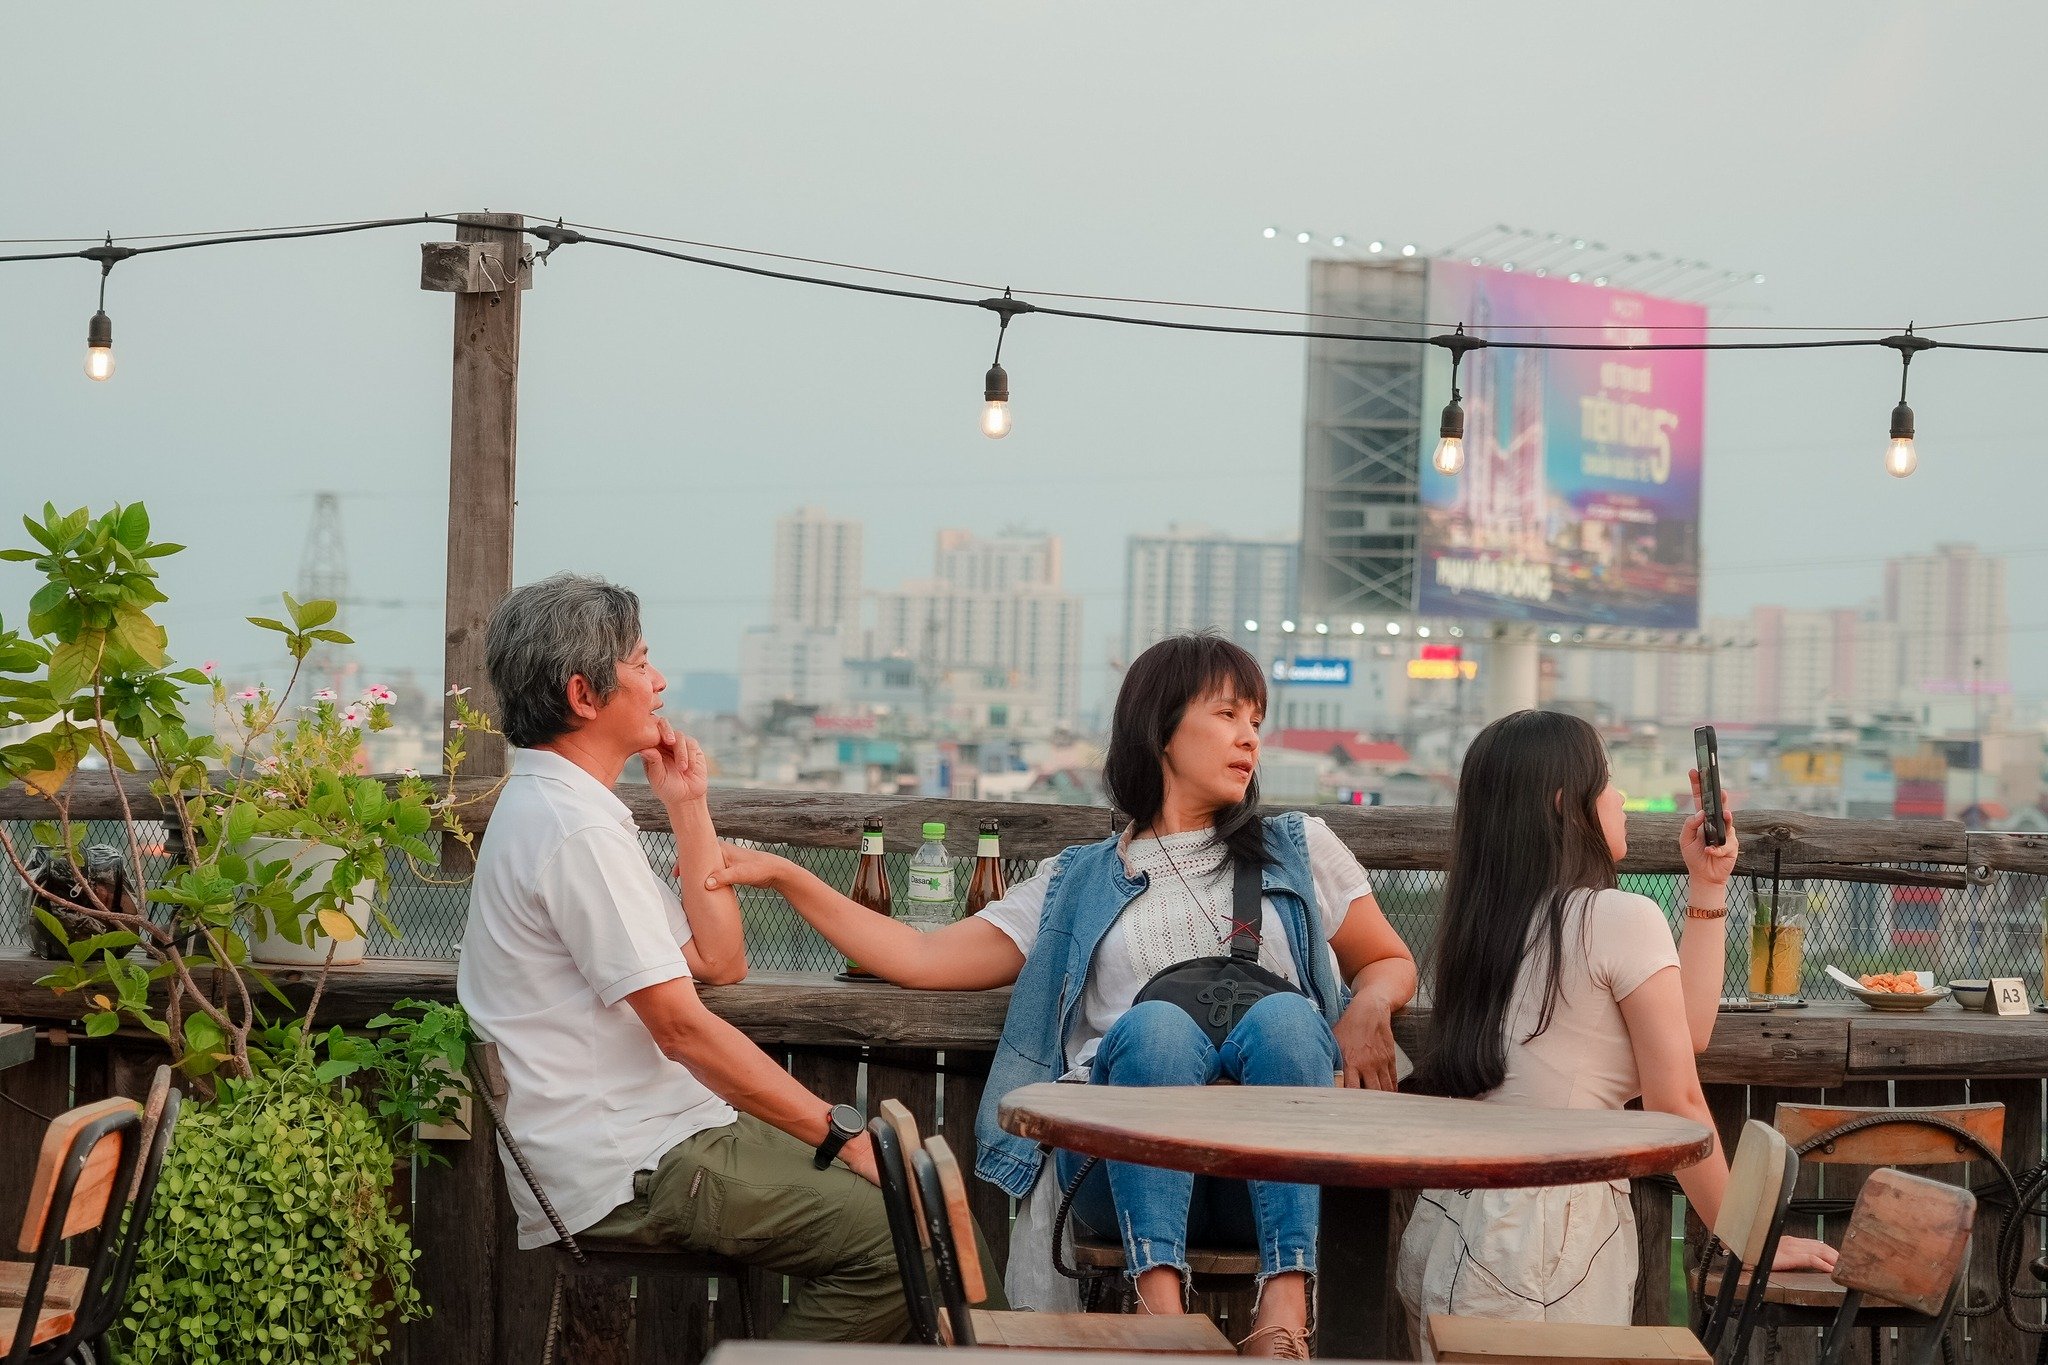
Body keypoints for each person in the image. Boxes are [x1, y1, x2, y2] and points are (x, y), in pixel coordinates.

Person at [707, 634, 1418, 1358]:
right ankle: (1162, 1321)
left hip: (1272, 1178)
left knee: (1289, 1019)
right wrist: (789, 878)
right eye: (1229, 714)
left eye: (1257, 722)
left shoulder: (1299, 846)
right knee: (1157, 1034)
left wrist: (1368, 1005)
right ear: (1160, 731)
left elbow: (1388, 958)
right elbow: (921, 955)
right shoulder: (1074, 882)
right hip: (1115, 1172)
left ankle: (1284, 1316)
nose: (1249, 738)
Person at [457, 573, 996, 1343]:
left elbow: (720, 958)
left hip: (656, 1137)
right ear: (585, 693)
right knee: (911, 1239)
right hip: (632, 1163)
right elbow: (682, 1028)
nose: (660, 680)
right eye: (641, 662)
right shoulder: (572, 832)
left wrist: (687, 805)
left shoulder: (566, 812)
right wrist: (841, 1134)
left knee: (928, 1208)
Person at [1396, 710, 1837, 1352]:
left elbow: (1683, 1036)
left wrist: (1708, 886)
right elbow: (1676, 1103)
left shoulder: (1484, 926)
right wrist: (1751, 1243)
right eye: (1607, 781)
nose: (1621, 797)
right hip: (1552, 1233)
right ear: (1565, 805)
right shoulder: (1616, 916)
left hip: (1455, 1217)